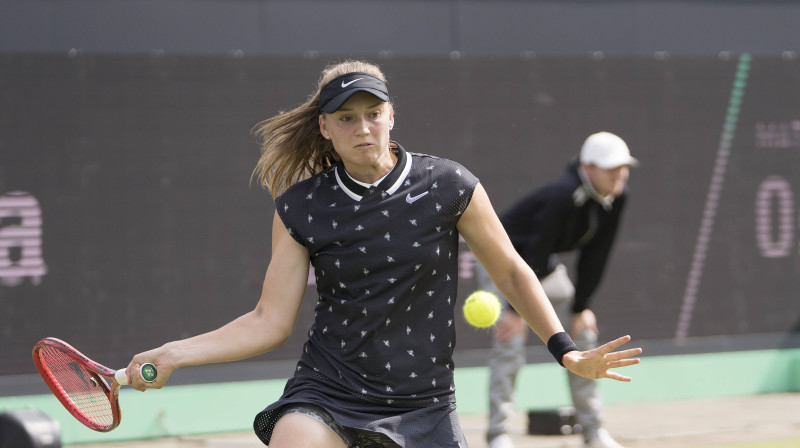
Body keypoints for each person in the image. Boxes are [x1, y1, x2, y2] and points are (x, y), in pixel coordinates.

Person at [124, 61, 642, 448]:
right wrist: (174, 353)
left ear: (392, 116)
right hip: (328, 388)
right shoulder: (300, 207)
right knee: (294, 440)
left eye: (374, 114)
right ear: (325, 127)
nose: (364, 128)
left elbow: (510, 270)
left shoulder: (448, 185)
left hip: (424, 402)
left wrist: (565, 350)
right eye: (346, 118)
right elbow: (268, 321)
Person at [476, 131, 638, 448]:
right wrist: (514, 311)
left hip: (540, 265)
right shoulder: (564, 194)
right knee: (510, 343)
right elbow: (536, 246)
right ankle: (498, 435)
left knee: (586, 336)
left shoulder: (618, 196)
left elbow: (597, 254)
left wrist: (581, 306)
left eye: (623, 167)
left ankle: (593, 431)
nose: (619, 175)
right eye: (610, 168)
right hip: (499, 260)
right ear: (588, 167)